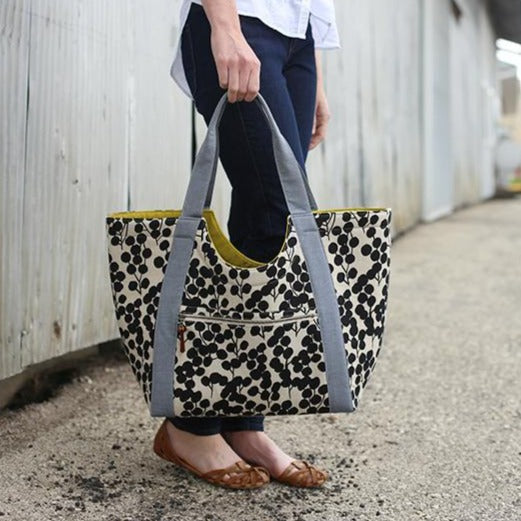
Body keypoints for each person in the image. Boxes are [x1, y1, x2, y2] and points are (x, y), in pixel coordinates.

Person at [153, 0, 340, 489]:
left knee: (264, 226)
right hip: (241, 19)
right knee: (277, 212)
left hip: (296, 34)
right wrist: (224, 25)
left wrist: (312, 65)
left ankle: (241, 424)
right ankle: (190, 426)